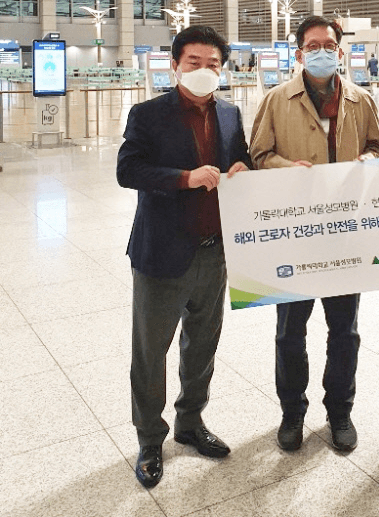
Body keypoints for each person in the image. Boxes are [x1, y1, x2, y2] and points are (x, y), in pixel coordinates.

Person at [117, 25, 252, 489]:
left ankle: (190, 423)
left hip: (214, 252)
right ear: (175, 65)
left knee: (203, 344)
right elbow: (127, 169)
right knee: (150, 351)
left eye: (212, 64)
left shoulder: (231, 115)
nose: (203, 70)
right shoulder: (148, 114)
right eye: (193, 62)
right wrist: (185, 178)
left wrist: (241, 170)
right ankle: (150, 437)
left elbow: (244, 163)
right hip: (162, 252)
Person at [250, 15, 379, 453]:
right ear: (299, 53)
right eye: (313, 45)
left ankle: (340, 411)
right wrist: (288, 170)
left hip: (346, 235)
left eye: (330, 44)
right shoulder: (276, 100)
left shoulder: (361, 100)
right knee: (291, 331)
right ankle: (292, 412)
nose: (322, 51)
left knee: (344, 331)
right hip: (295, 234)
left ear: (341, 51)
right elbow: (258, 155)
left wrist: (368, 157)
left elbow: (376, 147)